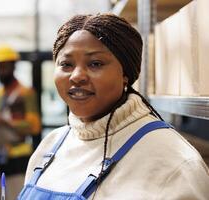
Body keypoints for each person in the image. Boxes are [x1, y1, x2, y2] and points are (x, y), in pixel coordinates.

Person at [18, 13, 209, 199]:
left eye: (95, 63)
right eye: (66, 64)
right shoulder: (49, 147)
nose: (76, 76)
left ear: (125, 73)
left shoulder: (174, 163)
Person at [0, 44, 41, 200]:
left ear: (13, 66)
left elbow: (34, 126)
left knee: (16, 195)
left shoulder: (26, 93)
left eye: (4, 66)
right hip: (1, 155)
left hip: (19, 157)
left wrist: (6, 122)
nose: (0, 71)